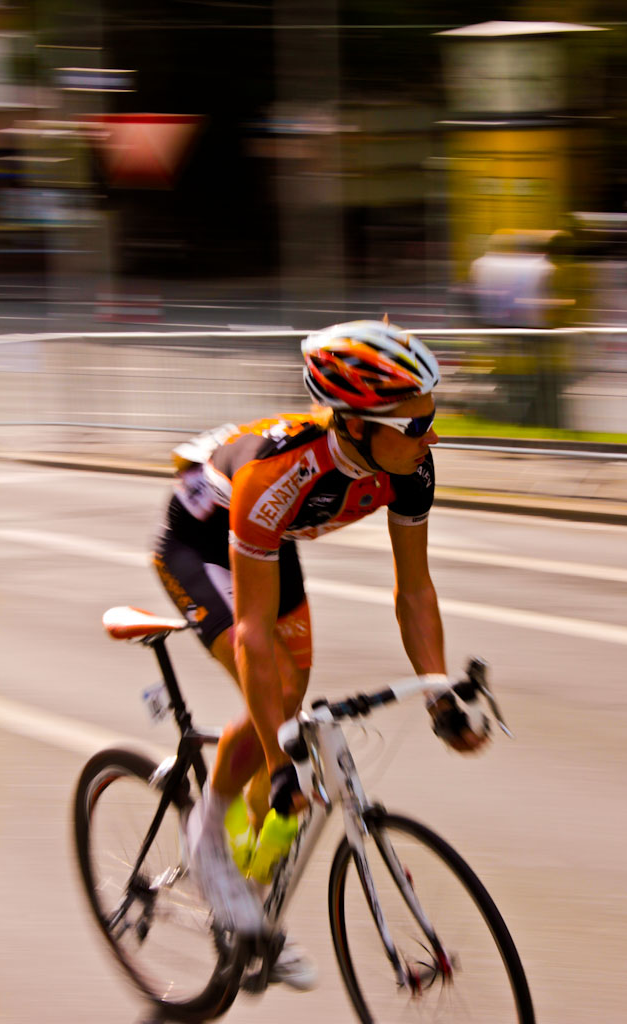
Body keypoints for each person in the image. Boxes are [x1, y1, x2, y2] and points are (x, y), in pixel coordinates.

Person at [152, 318, 489, 989]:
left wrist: (437, 694)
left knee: (290, 700)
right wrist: (280, 760)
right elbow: (249, 631)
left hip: (272, 545)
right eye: (416, 424)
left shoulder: (408, 465)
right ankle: (207, 841)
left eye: (431, 418)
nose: (431, 437)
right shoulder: (279, 472)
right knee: (274, 696)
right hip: (202, 543)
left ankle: (253, 873)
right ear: (358, 425)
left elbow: (414, 590)